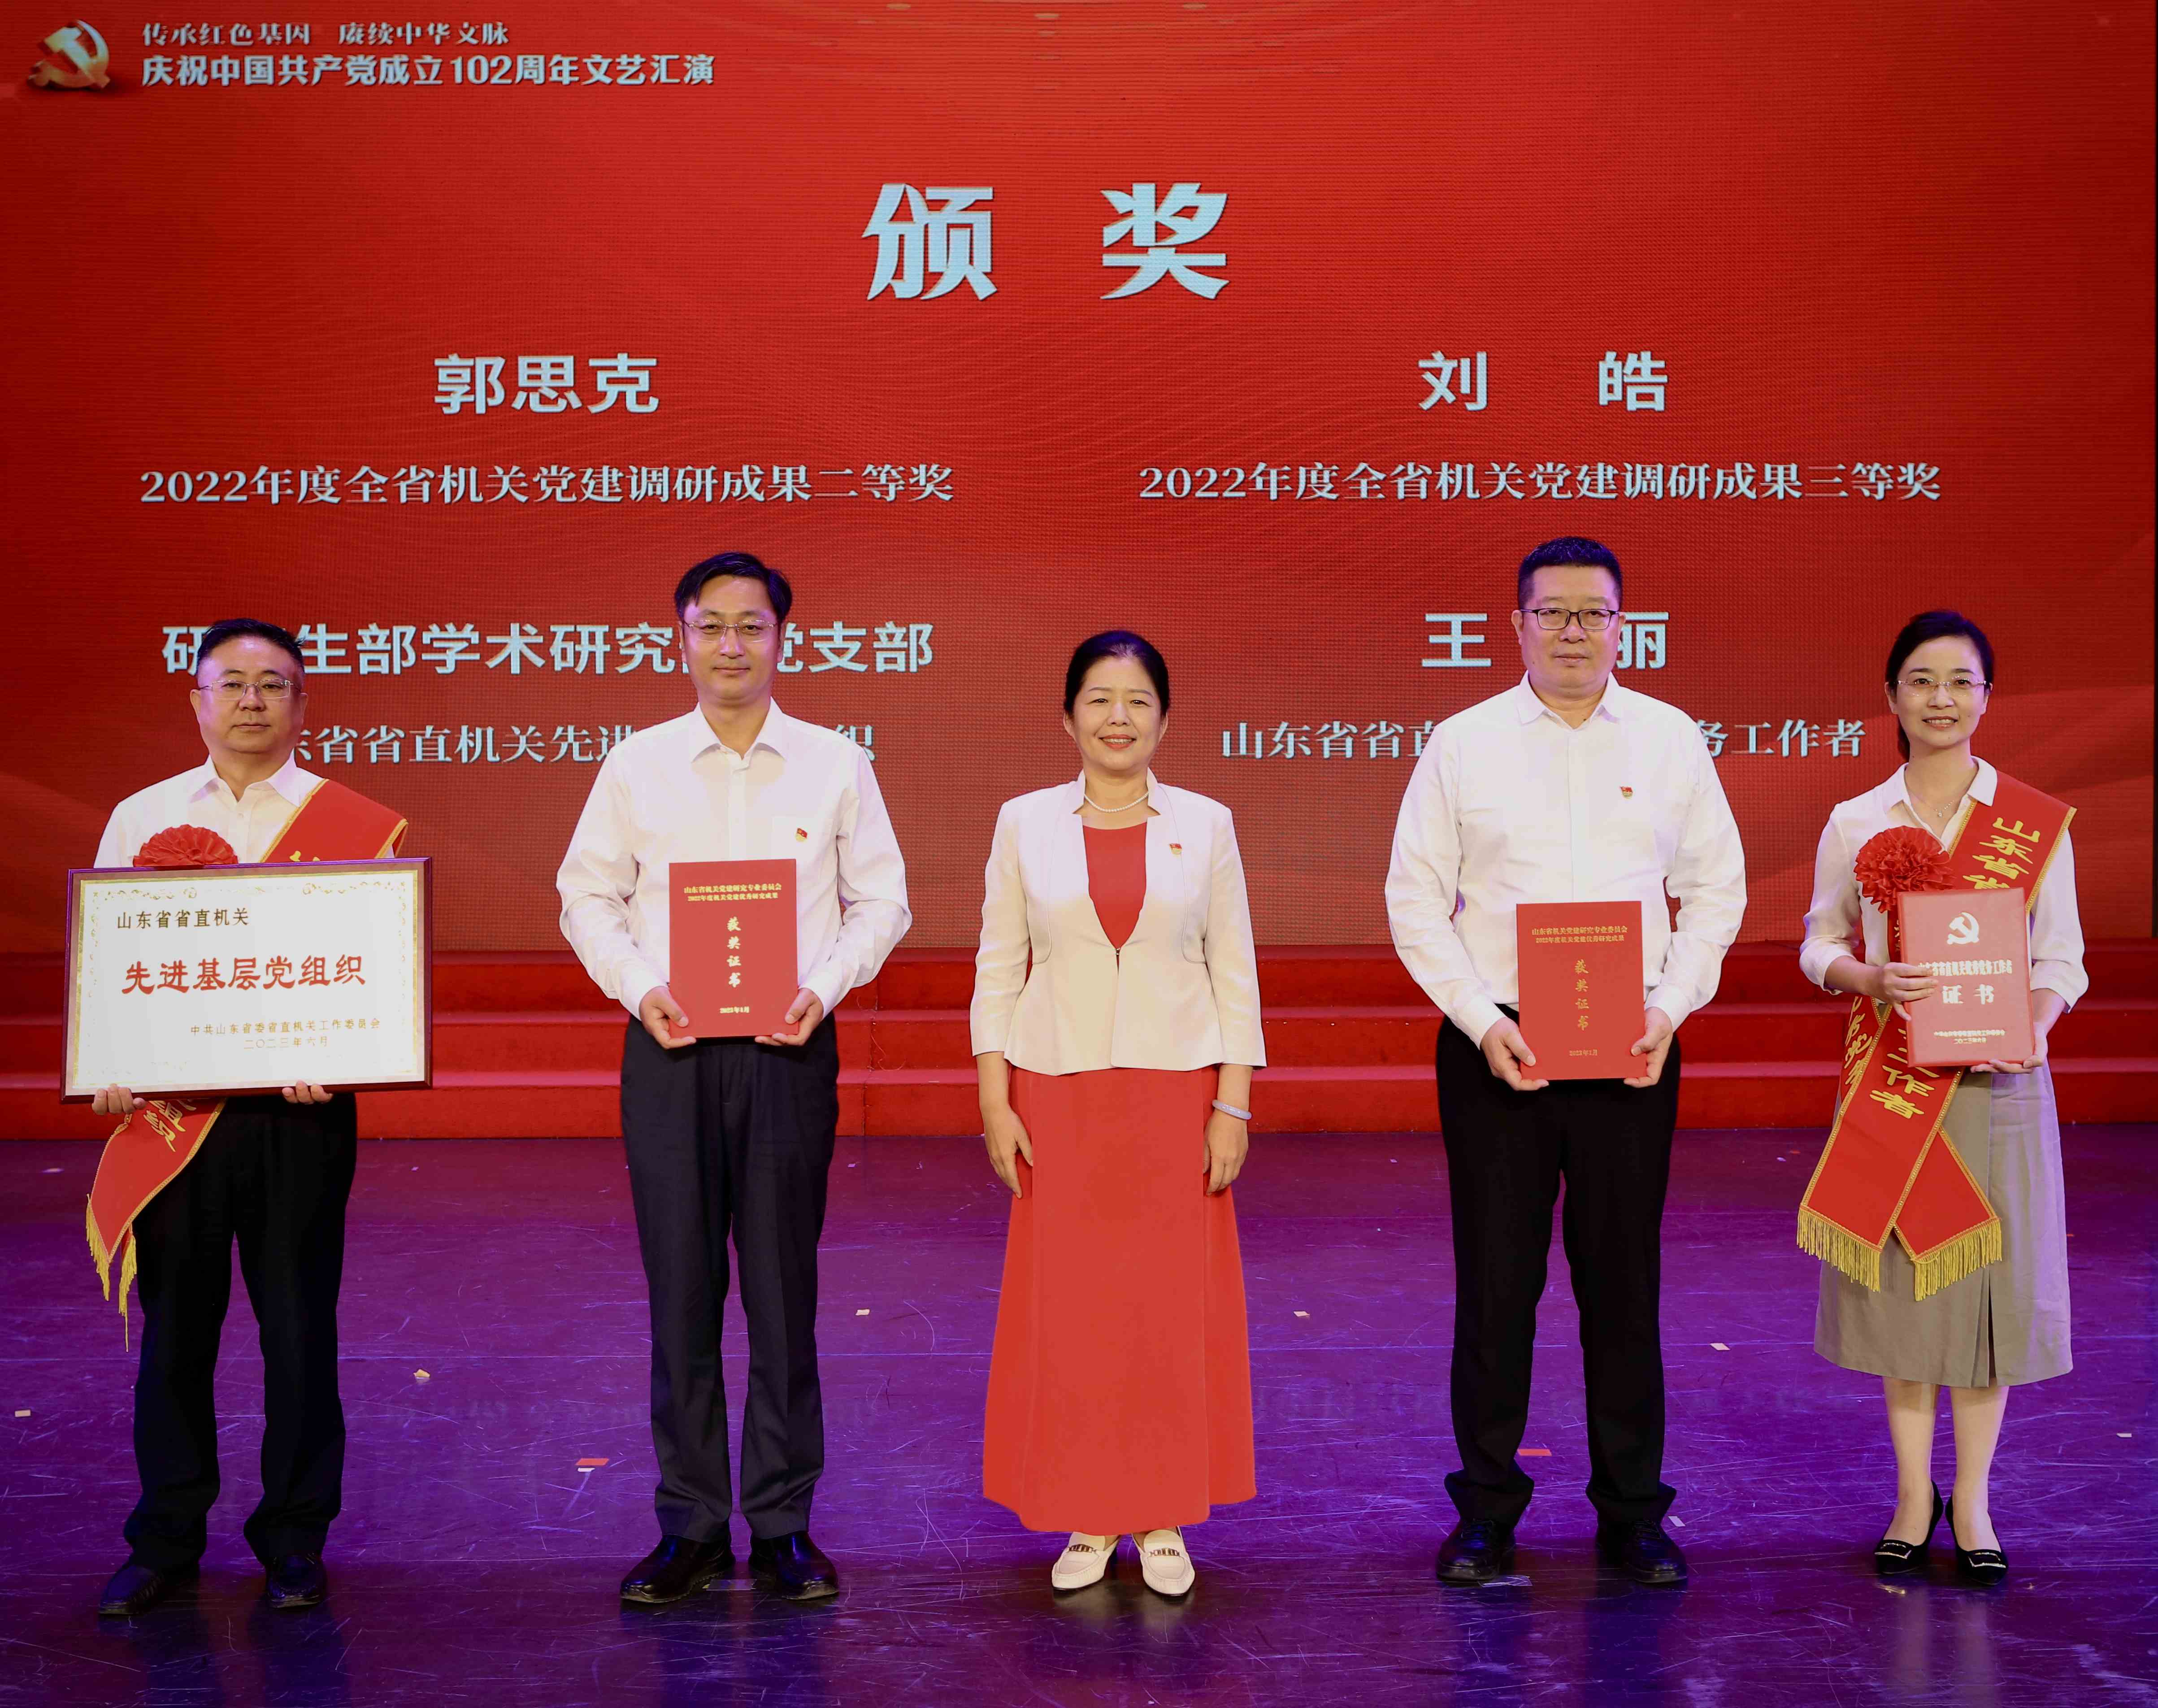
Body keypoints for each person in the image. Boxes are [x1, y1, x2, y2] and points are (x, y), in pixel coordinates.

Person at [1386, 538, 1746, 1587]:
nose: (1573, 632)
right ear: (1517, 626)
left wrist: (1669, 1008)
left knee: (1623, 1288)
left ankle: (1633, 1514)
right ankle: (1485, 1512)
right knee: (1496, 1288)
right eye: (1552, 613)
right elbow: (1415, 899)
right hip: (1498, 1045)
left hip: (1630, 1046)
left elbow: (1714, 892)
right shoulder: (1462, 743)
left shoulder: (1671, 739)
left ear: (1624, 626)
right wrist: (1476, 1020)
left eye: (1594, 613)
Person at [558, 551, 910, 1604]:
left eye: (750, 626)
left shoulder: (836, 763)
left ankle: (785, 1522)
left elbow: (881, 902)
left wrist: (820, 989)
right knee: (681, 1294)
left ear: (780, 639)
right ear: (680, 639)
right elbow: (587, 897)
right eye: (709, 626)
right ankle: (692, 1524)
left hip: (787, 1052)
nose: (730, 645)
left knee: (782, 1292)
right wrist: (641, 988)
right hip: (669, 1052)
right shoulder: (637, 765)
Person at [88, 618, 410, 1617]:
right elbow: (107, 962)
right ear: (197, 700)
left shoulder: (351, 824)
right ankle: (165, 1537)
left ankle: (295, 1537)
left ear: (304, 704)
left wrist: (345, 1055)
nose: (252, 701)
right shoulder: (139, 817)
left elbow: (368, 973)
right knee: (175, 1335)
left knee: (298, 1330)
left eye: (274, 684)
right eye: (231, 683)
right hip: (175, 1116)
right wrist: (107, 1064)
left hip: (298, 1117)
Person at [973, 631, 1264, 1598]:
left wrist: (1231, 1103)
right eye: (1099, 699)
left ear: (1164, 719)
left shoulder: (1208, 823)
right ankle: (1090, 1512)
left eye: (1138, 700)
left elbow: (1234, 970)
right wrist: (994, 1096)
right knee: (1075, 1313)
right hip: (1057, 1092)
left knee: (1165, 1313)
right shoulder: (1023, 822)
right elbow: (997, 965)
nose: (1118, 718)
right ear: (1068, 717)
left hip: (1175, 1094)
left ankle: (1164, 1510)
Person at [1797, 611, 2084, 1587]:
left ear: (1987, 698)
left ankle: (1974, 1502)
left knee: (1989, 1300)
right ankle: (1912, 1498)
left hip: (2001, 1086)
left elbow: (2061, 958)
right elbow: (1818, 942)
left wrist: (2032, 1023)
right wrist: (1867, 978)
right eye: (1920, 680)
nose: (1941, 699)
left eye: (1961, 681)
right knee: (1907, 1297)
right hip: (1896, 1082)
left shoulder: (2033, 826)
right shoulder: (1856, 820)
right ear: (1890, 696)